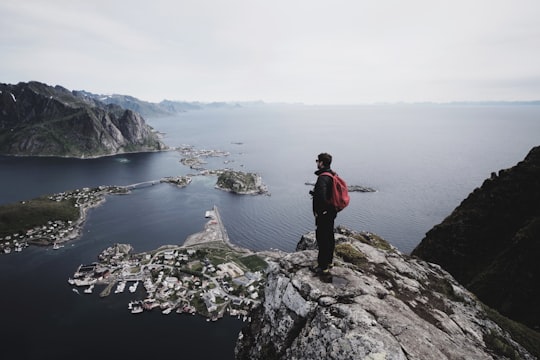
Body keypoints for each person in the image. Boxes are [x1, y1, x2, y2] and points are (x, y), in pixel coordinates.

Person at [310, 152, 337, 275]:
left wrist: (319, 212)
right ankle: (330, 261)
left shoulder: (322, 178)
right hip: (331, 212)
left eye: (317, 161)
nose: (316, 163)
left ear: (321, 163)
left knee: (322, 238)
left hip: (324, 214)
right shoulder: (332, 174)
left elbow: (321, 197)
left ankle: (322, 266)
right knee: (329, 236)